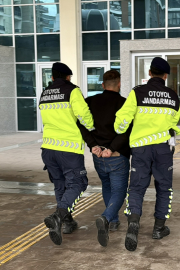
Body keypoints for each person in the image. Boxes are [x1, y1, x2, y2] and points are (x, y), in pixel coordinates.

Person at [114, 57, 180, 252]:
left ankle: (133, 222)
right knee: (164, 188)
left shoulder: (137, 93)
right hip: (163, 149)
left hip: (141, 149)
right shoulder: (173, 96)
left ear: (150, 73)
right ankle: (159, 228)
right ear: (165, 76)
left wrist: (121, 130)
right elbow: (174, 123)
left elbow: (122, 121)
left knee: (136, 187)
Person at [40, 62, 95, 246]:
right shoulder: (72, 91)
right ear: (68, 77)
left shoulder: (45, 93)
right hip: (68, 149)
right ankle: (58, 216)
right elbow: (84, 114)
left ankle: (67, 223)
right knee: (78, 183)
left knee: (60, 185)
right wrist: (94, 130)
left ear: (53, 77)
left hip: (48, 148)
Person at [77, 70, 131, 247]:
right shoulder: (124, 104)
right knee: (119, 191)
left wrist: (93, 145)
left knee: (107, 186)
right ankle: (107, 218)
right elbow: (127, 131)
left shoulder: (90, 101)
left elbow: (81, 124)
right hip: (116, 156)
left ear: (102, 85)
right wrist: (112, 148)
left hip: (98, 156)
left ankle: (113, 220)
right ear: (119, 84)